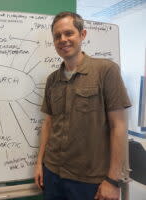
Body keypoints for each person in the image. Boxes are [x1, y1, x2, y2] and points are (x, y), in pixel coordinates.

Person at [34, 11, 131, 200]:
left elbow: (118, 126)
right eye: (57, 36)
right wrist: (39, 164)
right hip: (52, 174)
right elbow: (48, 123)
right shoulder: (53, 80)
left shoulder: (106, 71)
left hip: (89, 182)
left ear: (82, 35)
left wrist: (112, 181)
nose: (63, 39)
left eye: (69, 33)